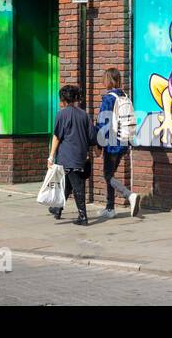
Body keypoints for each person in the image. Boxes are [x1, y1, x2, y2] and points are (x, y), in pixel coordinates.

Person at [96, 68, 140, 218]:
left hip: (112, 142)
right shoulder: (124, 95)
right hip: (124, 140)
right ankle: (110, 208)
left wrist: (98, 143)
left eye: (104, 78)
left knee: (108, 175)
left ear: (108, 80)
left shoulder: (109, 98)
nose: (102, 81)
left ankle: (129, 195)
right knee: (111, 173)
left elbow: (104, 122)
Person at [48, 84, 94, 224]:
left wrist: (51, 156)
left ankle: (83, 217)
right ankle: (58, 209)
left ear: (63, 99)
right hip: (80, 155)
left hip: (67, 156)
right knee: (67, 183)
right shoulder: (84, 115)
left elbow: (57, 137)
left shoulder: (61, 114)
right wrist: (93, 151)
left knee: (77, 185)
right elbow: (91, 136)